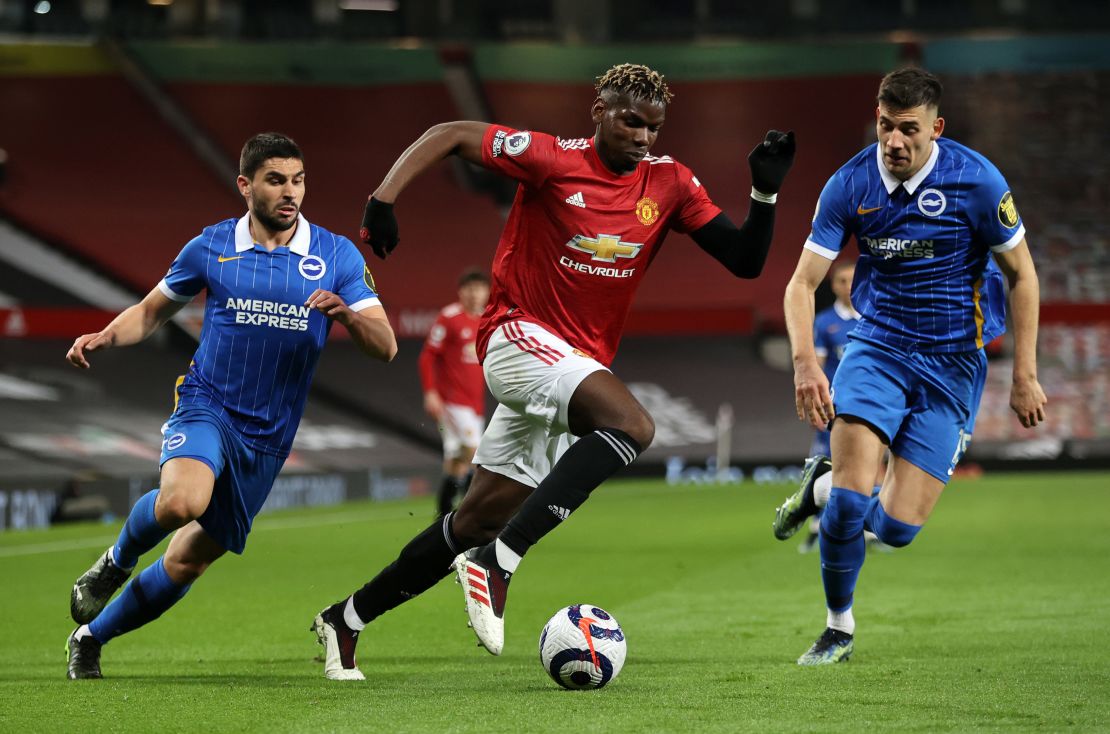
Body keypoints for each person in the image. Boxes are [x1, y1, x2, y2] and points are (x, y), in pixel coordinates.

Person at [310, 62, 795, 680]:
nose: (642, 136)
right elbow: (451, 132)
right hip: (515, 338)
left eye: (653, 127)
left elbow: (747, 261)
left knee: (474, 517)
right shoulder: (550, 158)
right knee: (632, 426)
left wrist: (765, 192)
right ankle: (501, 561)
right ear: (599, 113)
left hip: (573, 364)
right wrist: (382, 199)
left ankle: (345, 621)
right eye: (630, 121)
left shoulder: (669, 184)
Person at [64, 133, 397, 680]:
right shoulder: (211, 246)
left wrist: (347, 314)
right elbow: (151, 312)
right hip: (207, 403)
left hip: (268, 437)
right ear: (245, 186)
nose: (291, 192)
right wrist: (105, 335)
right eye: (276, 180)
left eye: (298, 179)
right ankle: (114, 564)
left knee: (187, 560)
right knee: (181, 501)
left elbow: (385, 347)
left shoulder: (336, 254)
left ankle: (90, 637)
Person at [773, 68, 1046, 665]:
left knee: (896, 531)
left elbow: (1022, 275)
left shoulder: (976, 181)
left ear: (935, 129)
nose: (893, 141)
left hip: (952, 365)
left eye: (908, 129)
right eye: (885, 126)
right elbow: (801, 285)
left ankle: (815, 486)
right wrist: (804, 364)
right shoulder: (849, 184)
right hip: (877, 349)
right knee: (850, 504)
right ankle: (837, 628)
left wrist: (1024, 373)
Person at [794, 260, 859, 554]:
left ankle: (865, 530)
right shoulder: (824, 322)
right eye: (842, 281)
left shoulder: (876, 317)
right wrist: (815, 403)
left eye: (853, 280)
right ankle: (816, 526)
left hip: (869, 404)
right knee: (826, 465)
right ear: (833, 286)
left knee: (872, 465)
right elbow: (816, 367)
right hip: (835, 407)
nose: (848, 286)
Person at [418, 268, 491, 516]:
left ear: (487, 292)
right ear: (461, 292)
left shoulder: (485, 320)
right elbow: (428, 356)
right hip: (453, 401)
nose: (474, 294)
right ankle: (474, 513)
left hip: (475, 403)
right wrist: (431, 392)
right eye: (469, 289)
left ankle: (444, 514)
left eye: (479, 289)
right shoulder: (449, 317)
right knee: (474, 453)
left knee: (457, 461)